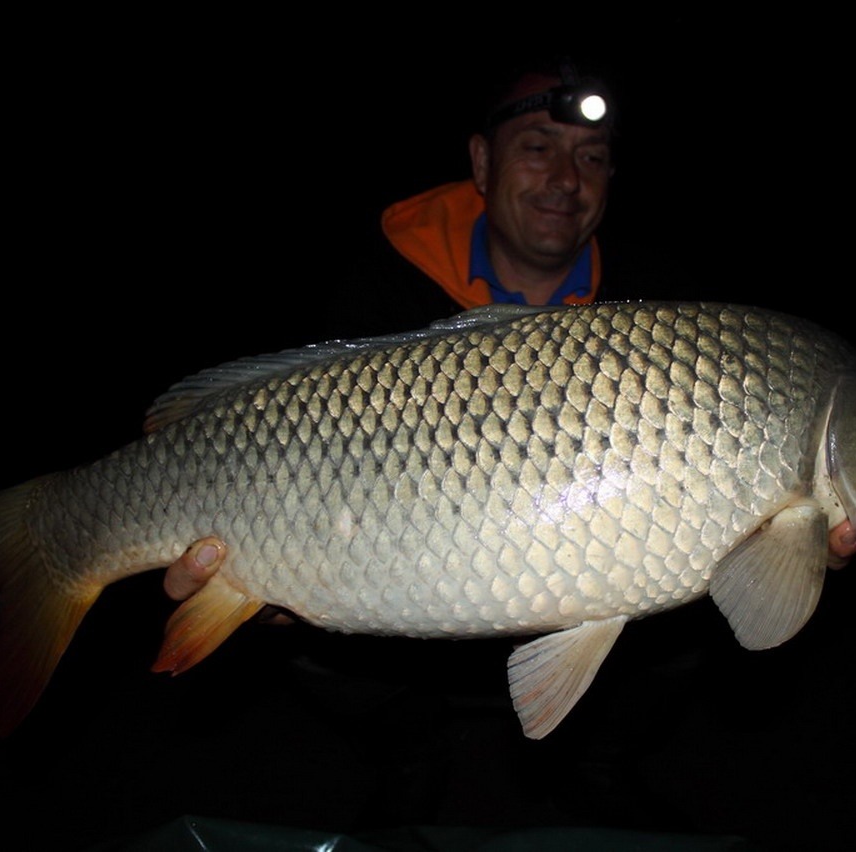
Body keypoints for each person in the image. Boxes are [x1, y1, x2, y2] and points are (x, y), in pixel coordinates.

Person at [163, 57, 621, 604]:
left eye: (591, 157)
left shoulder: (654, 304)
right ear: (482, 161)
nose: (567, 179)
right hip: (374, 667)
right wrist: (270, 589)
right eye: (538, 148)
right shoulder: (381, 289)